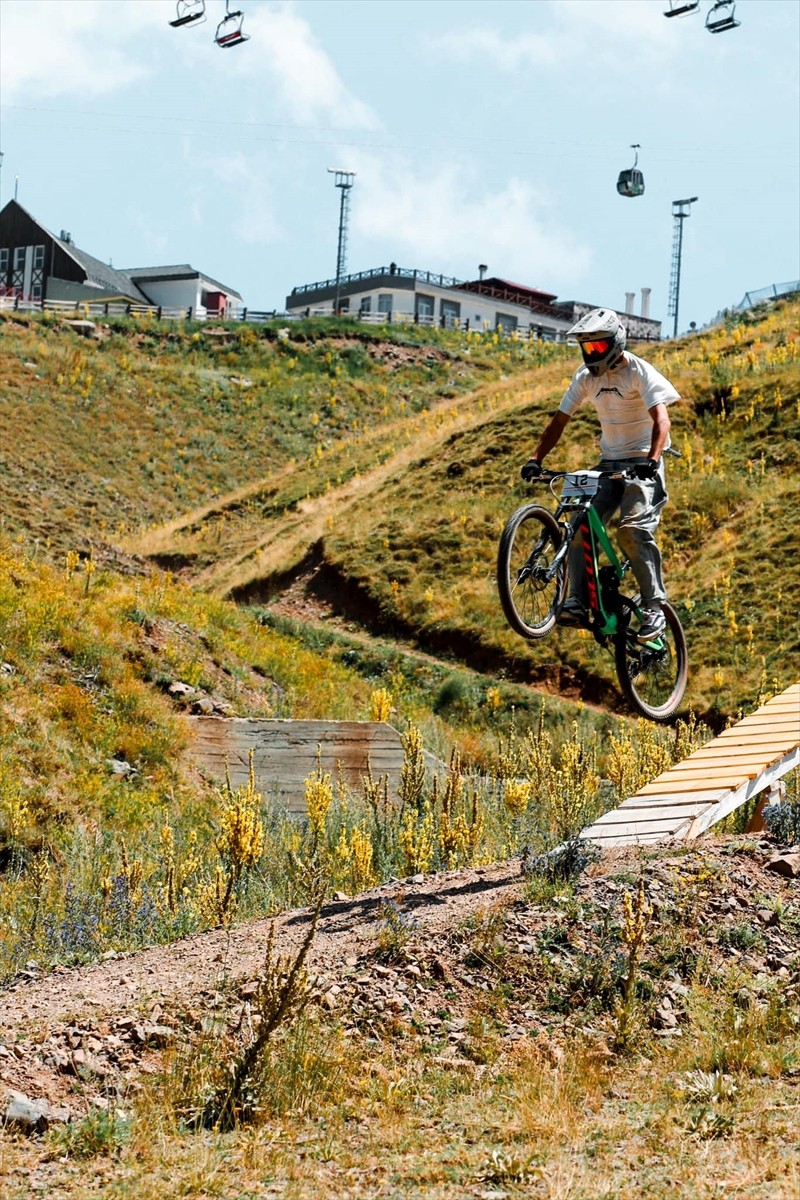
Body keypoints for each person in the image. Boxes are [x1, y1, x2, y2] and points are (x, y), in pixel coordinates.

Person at [520, 308, 680, 643]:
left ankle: (654, 608)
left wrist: (651, 460)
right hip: (609, 464)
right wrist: (536, 458)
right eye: (586, 349)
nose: (591, 354)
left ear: (615, 343)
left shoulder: (638, 371)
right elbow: (558, 422)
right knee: (578, 523)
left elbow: (662, 421)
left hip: (641, 464)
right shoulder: (585, 377)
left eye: (597, 348)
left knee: (632, 530)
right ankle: (577, 599)